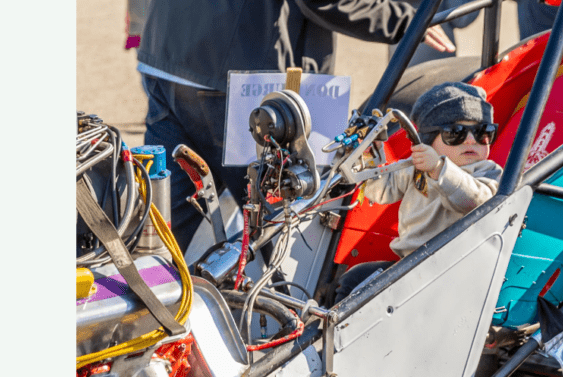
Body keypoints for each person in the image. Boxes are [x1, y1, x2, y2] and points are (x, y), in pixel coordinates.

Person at [137, 0, 457, 253]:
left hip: (165, 54)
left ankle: (155, 313)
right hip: (234, 72)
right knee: (286, 220)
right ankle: (281, 324)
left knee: (167, 217)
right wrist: (403, 21)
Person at [334, 81, 502, 304]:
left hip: (452, 270)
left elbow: (477, 202)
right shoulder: (417, 166)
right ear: (428, 141)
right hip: (410, 265)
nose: (471, 140)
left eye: (482, 132)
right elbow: (382, 190)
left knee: (366, 290)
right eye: (456, 133)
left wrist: (439, 169)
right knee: (354, 281)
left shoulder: (486, 171)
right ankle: (327, 331)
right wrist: (366, 157)